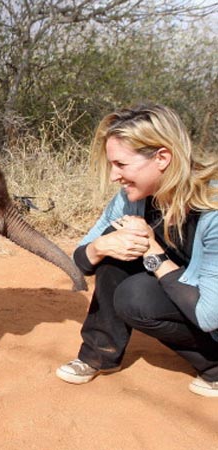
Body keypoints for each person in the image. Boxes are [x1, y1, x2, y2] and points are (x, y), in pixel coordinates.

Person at [55, 103, 218, 397]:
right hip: (182, 289)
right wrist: (100, 247)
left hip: (210, 308)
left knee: (135, 297)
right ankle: (99, 354)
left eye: (121, 165)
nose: (114, 176)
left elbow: (209, 314)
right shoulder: (132, 198)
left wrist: (152, 251)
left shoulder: (212, 209)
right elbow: (80, 261)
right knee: (114, 239)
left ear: (162, 158)